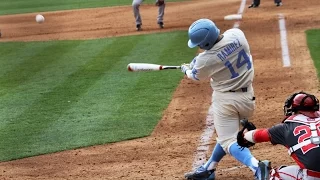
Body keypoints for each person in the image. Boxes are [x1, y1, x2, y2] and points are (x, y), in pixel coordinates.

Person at [181, 18, 270, 180]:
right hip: (247, 98)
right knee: (227, 134)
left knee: (228, 140)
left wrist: (186, 69)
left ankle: (258, 167)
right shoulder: (237, 34)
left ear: (205, 43)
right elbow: (218, 54)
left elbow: (195, 75)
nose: (199, 47)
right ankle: (208, 169)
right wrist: (197, 62)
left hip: (226, 101)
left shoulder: (206, 60)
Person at [238, 91, 320, 180]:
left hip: (313, 177)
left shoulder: (285, 128)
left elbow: (254, 136)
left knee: (268, 172)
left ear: (295, 111)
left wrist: (245, 134)